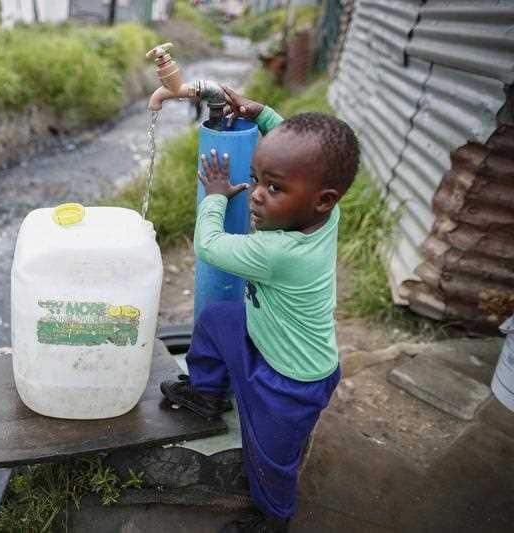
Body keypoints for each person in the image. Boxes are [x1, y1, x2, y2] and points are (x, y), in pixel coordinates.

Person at [160, 86, 360, 533]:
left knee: (270, 461)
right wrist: (264, 115)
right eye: (256, 178)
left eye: (274, 188)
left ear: (322, 198)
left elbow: (210, 246)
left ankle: (274, 519)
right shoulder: (326, 215)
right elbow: (299, 162)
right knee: (216, 321)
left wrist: (213, 195)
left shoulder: (279, 252)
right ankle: (207, 394)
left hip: (290, 382)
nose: (255, 195)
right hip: (264, 337)